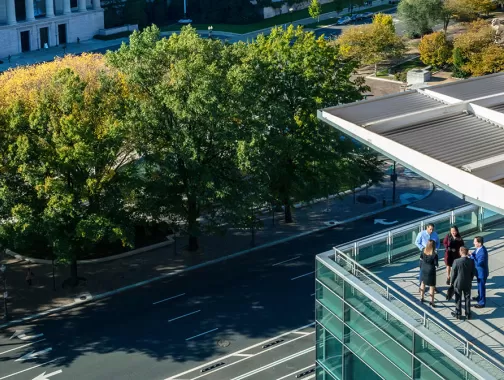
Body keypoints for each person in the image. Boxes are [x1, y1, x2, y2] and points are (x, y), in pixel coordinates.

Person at [450, 247, 476, 320]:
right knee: (467, 298)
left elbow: (453, 273)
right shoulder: (471, 261)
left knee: (458, 298)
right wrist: (470, 279)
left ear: (461, 252)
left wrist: (451, 282)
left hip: (458, 283)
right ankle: (468, 314)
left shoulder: (456, 261)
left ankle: (458, 313)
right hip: (467, 282)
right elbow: (473, 272)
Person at [415, 223, 440, 291]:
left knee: (432, 271)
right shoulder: (421, 234)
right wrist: (423, 249)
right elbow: (417, 242)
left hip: (432, 254)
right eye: (430, 229)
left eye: (432, 229)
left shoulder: (435, 234)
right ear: (427, 228)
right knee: (422, 270)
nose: (431, 231)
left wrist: (436, 249)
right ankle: (421, 285)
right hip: (424, 254)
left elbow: (438, 242)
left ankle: (433, 286)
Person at [470, 236, 489, 308]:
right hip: (478, 272)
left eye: (475, 242)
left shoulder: (483, 252)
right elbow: (474, 254)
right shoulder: (478, 249)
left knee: (481, 287)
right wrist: (471, 255)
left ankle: (482, 303)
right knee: (479, 286)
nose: (473, 243)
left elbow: (479, 263)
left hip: (482, 273)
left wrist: (472, 256)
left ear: (479, 243)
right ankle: (479, 297)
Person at [420, 240, 439, 307]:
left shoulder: (423, 250)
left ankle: (422, 297)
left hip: (424, 268)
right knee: (432, 286)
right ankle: (432, 302)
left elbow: (421, 258)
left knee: (423, 283)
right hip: (431, 270)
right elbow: (436, 264)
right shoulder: (434, 254)